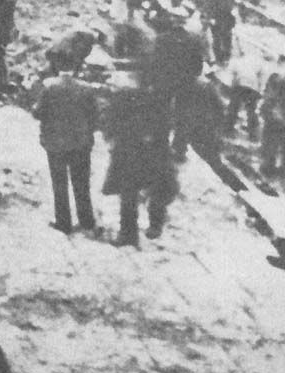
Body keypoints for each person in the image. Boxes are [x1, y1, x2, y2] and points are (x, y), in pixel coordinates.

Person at [102, 75, 179, 246]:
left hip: (129, 153)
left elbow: (110, 125)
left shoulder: (122, 98)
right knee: (157, 189)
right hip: (154, 153)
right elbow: (169, 125)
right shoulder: (160, 100)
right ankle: (155, 226)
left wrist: (112, 138)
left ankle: (128, 234)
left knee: (129, 194)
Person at [33, 59, 99, 235]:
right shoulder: (86, 88)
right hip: (80, 142)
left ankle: (63, 222)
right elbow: (95, 116)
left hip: (56, 143)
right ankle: (86, 220)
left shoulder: (49, 87)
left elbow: (38, 113)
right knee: (82, 183)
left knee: (59, 184)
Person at [171, 75, 225, 163]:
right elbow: (218, 105)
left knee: (182, 131)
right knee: (207, 138)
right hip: (203, 120)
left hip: (189, 119)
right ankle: (214, 155)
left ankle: (179, 152)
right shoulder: (207, 85)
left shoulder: (182, 85)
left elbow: (177, 106)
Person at [225, 51, 269, 141]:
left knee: (233, 108)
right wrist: (260, 91)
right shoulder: (260, 62)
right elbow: (262, 77)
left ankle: (228, 130)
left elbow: (231, 76)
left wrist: (232, 89)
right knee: (251, 112)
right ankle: (253, 135)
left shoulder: (237, 60)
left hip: (239, 86)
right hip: (252, 88)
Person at [202, 0, 238, 65]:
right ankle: (218, 59)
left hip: (227, 19)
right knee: (217, 39)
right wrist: (211, 18)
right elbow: (208, 6)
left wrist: (233, 11)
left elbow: (232, 3)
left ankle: (227, 58)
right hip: (216, 19)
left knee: (228, 38)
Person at [260, 59, 285, 175]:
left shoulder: (276, 76)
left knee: (270, 141)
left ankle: (268, 167)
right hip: (278, 114)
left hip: (275, 115)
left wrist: (266, 109)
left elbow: (268, 94)